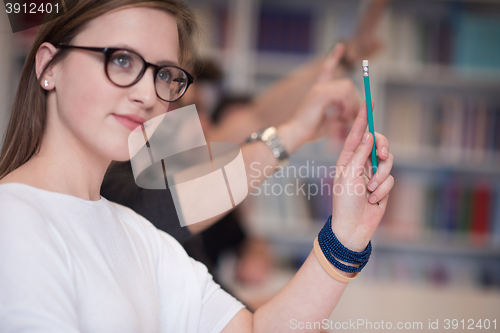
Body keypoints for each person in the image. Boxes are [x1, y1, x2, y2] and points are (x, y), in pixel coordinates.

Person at [0, 0, 394, 332]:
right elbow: (212, 172)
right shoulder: (18, 220)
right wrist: (294, 131)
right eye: (120, 60)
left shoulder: (140, 235)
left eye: (165, 75)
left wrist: (346, 236)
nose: (146, 95)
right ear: (49, 66)